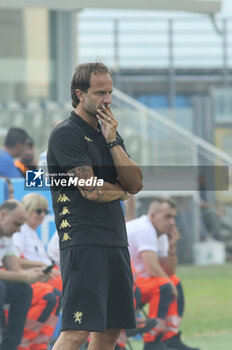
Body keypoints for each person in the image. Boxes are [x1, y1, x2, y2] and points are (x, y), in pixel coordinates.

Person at [47, 62, 143, 350]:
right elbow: (90, 191)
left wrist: (113, 141)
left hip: (115, 240)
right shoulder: (66, 133)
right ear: (80, 94)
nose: (108, 100)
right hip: (83, 241)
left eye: (110, 92)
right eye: (100, 92)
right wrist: (120, 191)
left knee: (112, 330)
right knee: (77, 331)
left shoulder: (108, 132)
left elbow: (135, 183)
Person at [127, 198, 200, 350]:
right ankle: (152, 341)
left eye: (174, 217)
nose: (172, 222)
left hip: (138, 283)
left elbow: (168, 271)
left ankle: (169, 338)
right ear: (153, 215)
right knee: (164, 285)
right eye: (167, 216)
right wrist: (168, 283)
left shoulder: (160, 233)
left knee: (173, 281)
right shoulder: (145, 229)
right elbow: (153, 268)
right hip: (124, 287)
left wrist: (172, 247)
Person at [13, 193, 62, 350]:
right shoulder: (20, 231)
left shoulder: (32, 233)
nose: (42, 215)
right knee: (51, 296)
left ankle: (39, 343)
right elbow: (14, 260)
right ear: (27, 210)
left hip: (44, 280)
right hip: (29, 281)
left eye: (45, 212)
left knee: (59, 294)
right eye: (38, 211)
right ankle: (24, 341)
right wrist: (41, 265)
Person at [0, 199, 44, 350]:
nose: (19, 230)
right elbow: (18, 274)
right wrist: (26, 276)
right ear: (3, 215)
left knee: (23, 290)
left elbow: (13, 269)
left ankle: (11, 345)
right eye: (17, 224)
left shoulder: (6, 236)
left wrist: (34, 274)